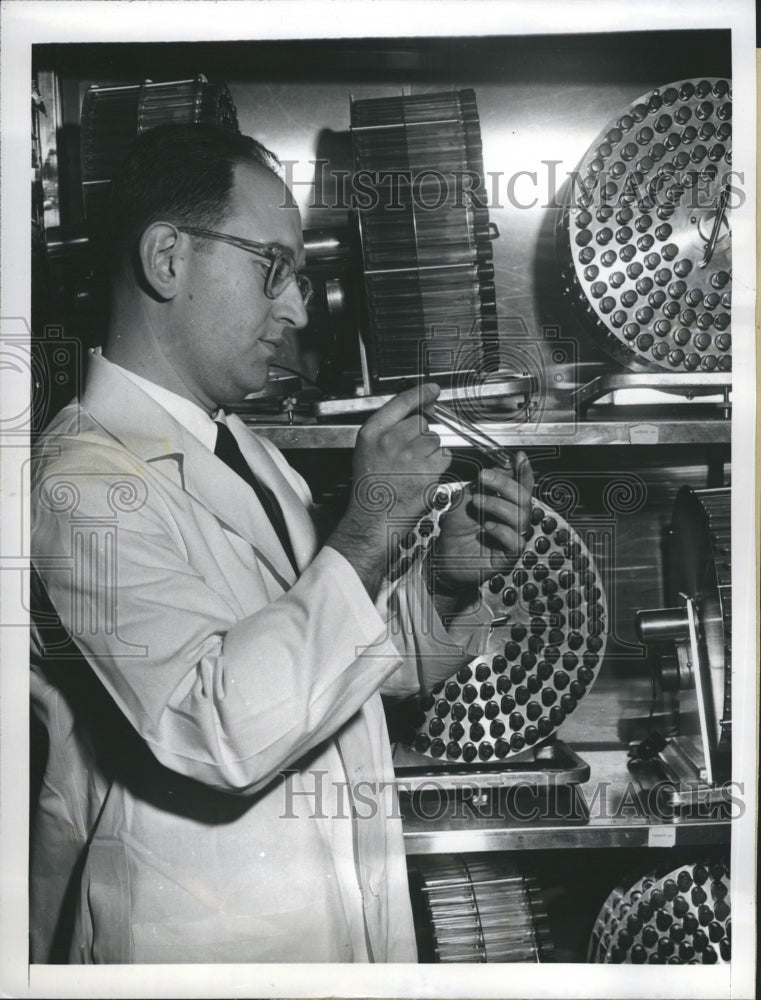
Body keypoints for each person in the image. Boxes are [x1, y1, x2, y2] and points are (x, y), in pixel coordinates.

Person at [30, 123, 533, 963]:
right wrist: (367, 530)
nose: (297, 310)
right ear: (167, 260)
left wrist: (441, 585)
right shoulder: (77, 485)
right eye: (274, 268)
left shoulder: (249, 454)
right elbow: (213, 726)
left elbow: (319, 671)